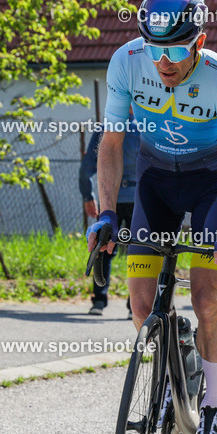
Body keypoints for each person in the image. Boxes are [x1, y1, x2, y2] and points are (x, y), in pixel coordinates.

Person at [86, 0, 217, 434]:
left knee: (204, 298)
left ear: (199, 41)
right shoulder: (127, 62)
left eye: (177, 49)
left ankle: (214, 407)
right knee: (140, 306)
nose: (164, 61)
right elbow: (112, 145)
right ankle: (177, 352)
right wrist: (105, 214)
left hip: (208, 185)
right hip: (155, 180)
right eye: (156, 49)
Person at [79, 115, 139, 317]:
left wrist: (88, 196)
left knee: (102, 247)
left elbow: (86, 167)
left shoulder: (106, 127)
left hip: (109, 199)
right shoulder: (149, 125)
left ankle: (99, 300)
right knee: (139, 251)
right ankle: (136, 304)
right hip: (140, 199)